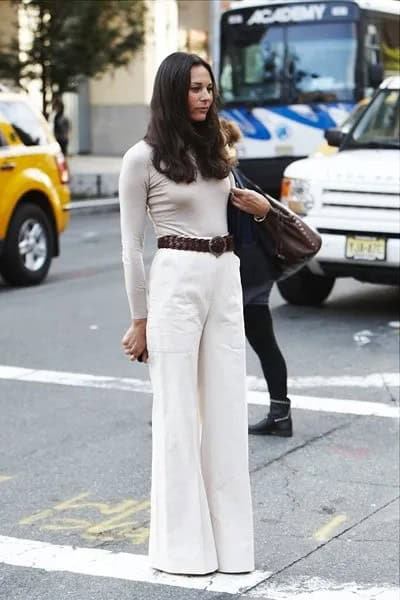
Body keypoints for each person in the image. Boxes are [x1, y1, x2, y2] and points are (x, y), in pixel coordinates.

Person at [118, 52, 271, 576]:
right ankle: (183, 551)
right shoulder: (141, 158)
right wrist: (140, 319)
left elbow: (231, 202)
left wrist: (261, 208)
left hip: (224, 274)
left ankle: (232, 551)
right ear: (171, 92)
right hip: (176, 277)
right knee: (178, 414)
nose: (205, 97)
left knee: (227, 411)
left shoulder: (216, 151)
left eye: (209, 88)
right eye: (194, 88)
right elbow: (130, 248)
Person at [221, 119, 292, 438]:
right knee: (264, 344)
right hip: (254, 271)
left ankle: (193, 415)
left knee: (216, 346)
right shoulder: (234, 172)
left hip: (242, 274)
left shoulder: (223, 176)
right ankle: (280, 414)